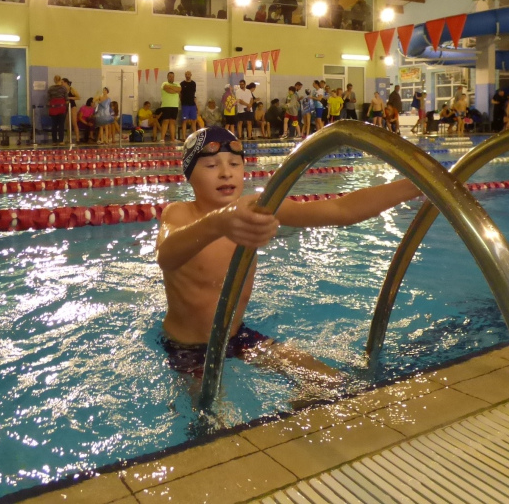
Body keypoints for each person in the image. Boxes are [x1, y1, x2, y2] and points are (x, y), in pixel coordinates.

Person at [156, 126, 422, 382]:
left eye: (235, 164)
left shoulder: (257, 206)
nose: (226, 173)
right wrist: (217, 223)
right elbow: (166, 256)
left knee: (331, 382)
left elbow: (342, 210)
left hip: (237, 336)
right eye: (211, 166)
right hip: (187, 348)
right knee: (215, 412)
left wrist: (417, 184)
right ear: (189, 175)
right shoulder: (180, 213)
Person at [160, 71, 182, 142]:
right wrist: (175, 90)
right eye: (170, 76)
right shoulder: (164, 83)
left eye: (172, 76)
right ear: (167, 77)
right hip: (166, 105)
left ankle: (172, 138)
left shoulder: (177, 84)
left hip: (175, 106)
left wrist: (171, 87)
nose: (171, 78)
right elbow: (169, 91)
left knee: (172, 122)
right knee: (165, 121)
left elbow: (179, 89)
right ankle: (162, 138)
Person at [47, 75, 69, 145]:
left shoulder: (50, 88)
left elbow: (48, 100)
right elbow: (66, 99)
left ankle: (54, 141)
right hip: (61, 108)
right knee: (61, 125)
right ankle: (61, 140)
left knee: (54, 125)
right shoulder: (63, 88)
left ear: (54, 80)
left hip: (53, 108)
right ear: (60, 80)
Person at [179, 71, 199, 138]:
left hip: (192, 105)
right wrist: (182, 101)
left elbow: (193, 94)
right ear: (185, 75)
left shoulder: (193, 83)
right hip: (185, 105)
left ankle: (195, 136)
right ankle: (184, 137)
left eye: (188, 74)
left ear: (191, 75)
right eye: (186, 74)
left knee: (194, 121)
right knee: (184, 121)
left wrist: (196, 106)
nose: (187, 75)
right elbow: (180, 94)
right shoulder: (182, 83)